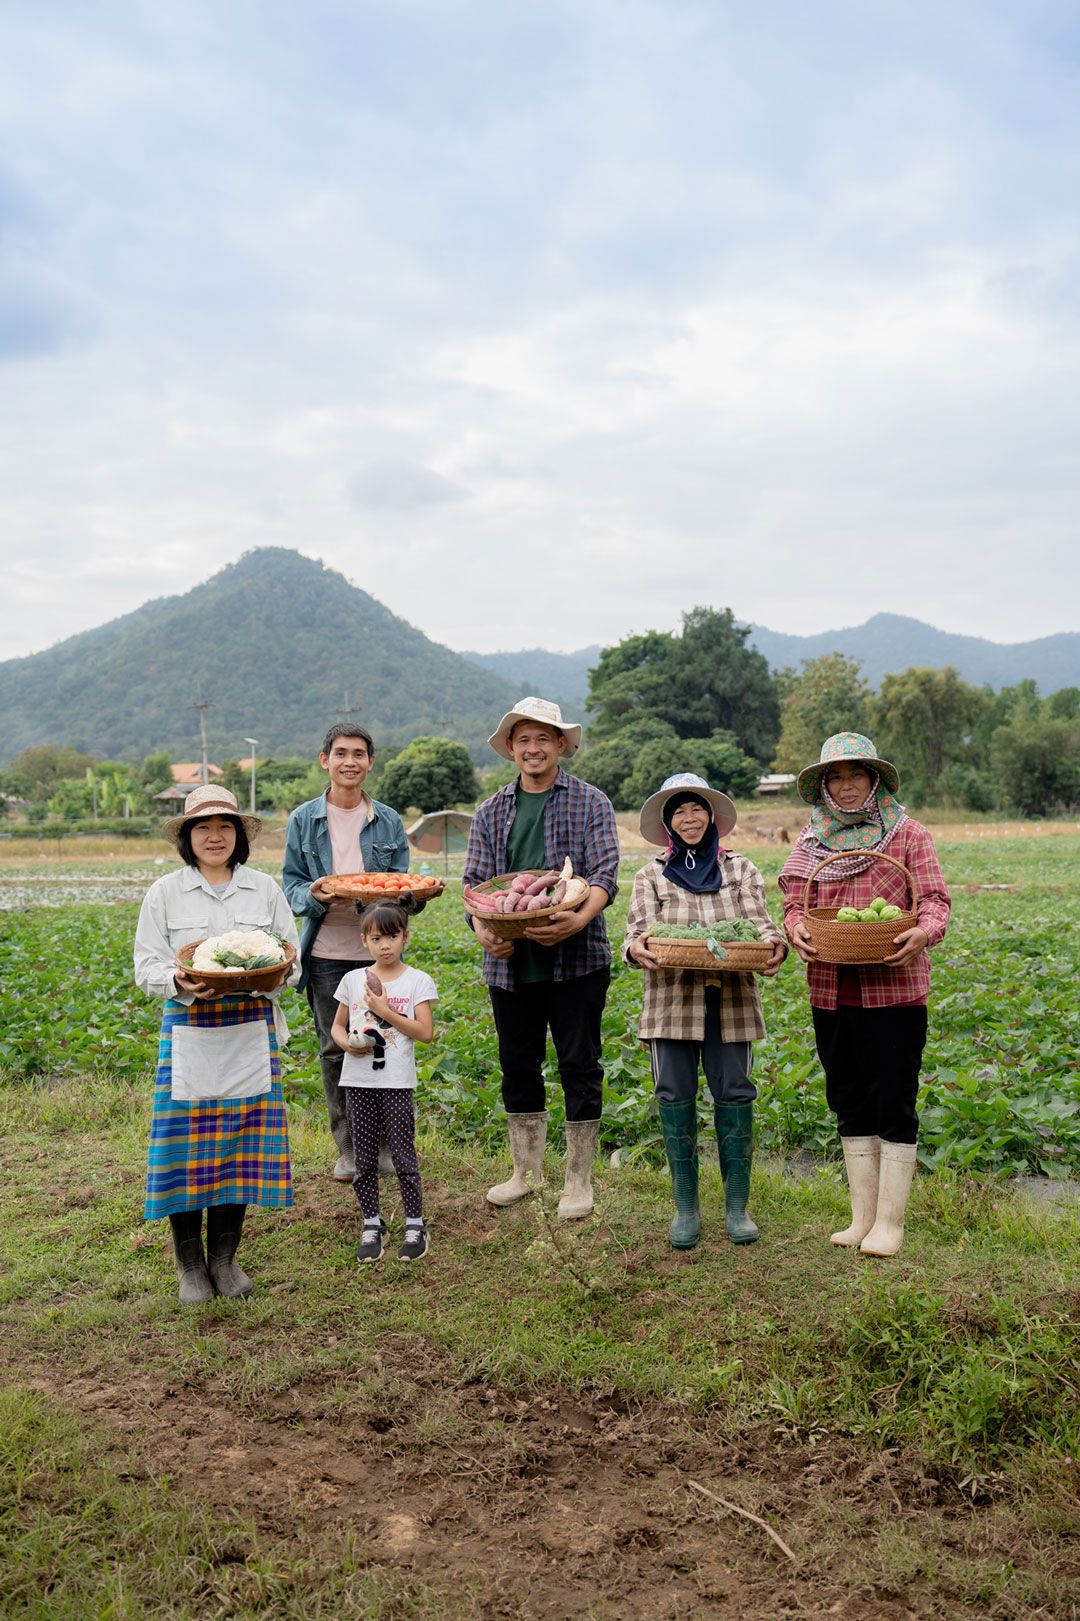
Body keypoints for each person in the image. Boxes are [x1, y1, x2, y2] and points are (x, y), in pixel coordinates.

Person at [777, 733, 951, 1258]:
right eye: (836, 777)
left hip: (895, 990)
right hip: (831, 990)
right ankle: (862, 1219)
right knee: (847, 1097)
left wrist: (923, 932)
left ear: (874, 782)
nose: (846, 786)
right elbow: (792, 904)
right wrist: (796, 929)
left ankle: (890, 1224)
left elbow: (936, 902)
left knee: (893, 1099)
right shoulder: (810, 842)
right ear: (824, 787)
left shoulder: (907, 835)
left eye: (856, 775)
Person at [134, 785, 301, 1304]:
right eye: (202, 828)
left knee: (241, 1146)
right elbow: (147, 966)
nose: (214, 836)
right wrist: (180, 982)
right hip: (190, 1030)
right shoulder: (165, 892)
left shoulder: (262, 889)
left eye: (224, 827)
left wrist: (276, 977)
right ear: (187, 838)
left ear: (238, 836)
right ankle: (189, 1266)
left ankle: (225, 1260)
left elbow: (290, 962)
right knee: (186, 1152)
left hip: (250, 1026)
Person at [463, 697, 620, 1220]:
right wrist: (485, 930)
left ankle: (579, 1178)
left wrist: (579, 918)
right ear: (511, 748)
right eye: (523, 739)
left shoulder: (590, 801)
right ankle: (525, 1172)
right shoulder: (490, 811)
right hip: (510, 965)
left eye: (543, 739)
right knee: (518, 1064)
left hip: (577, 960)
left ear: (560, 746)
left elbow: (602, 875)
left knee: (579, 1064)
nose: (533, 748)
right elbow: (475, 888)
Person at [623, 774, 786, 1249]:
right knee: (674, 1095)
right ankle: (686, 1208)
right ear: (668, 824)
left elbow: (760, 924)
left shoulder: (740, 869)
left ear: (711, 816)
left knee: (734, 1092)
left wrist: (772, 946)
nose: (689, 819)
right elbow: (635, 935)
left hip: (731, 1000)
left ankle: (737, 1207)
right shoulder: (650, 874)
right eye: (679, 812)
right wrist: (638, 950)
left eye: (696, 810)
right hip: (670, 1001)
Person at [282, 723, 410, 1182]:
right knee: (337, 1050)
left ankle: (390, 1148)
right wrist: (316, 894)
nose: (349, 761)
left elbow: (401, 886)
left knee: (388, 1045)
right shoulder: (304, 819)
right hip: (327, 953)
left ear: (370, 763)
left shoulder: (389, 821)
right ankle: (351, 1152)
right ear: (325, 760)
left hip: (379, 953)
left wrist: (406, 898)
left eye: (359, 753)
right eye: (340, 753)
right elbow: (292, 884)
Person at [330, 903, 437, 1262]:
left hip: (396, 1082)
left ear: (405, 936)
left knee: (404, 1155)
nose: (385, 945)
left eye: (392, 936)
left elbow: (425, 1033)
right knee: (363, 1160)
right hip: (357, 1082)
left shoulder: (417, 980)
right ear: (364, 941)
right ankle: (372, 1222)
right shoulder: (351, 980)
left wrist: (386, 1011)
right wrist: (347, 1044)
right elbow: (337, 1026)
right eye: (376, 938)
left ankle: (415, 1223)